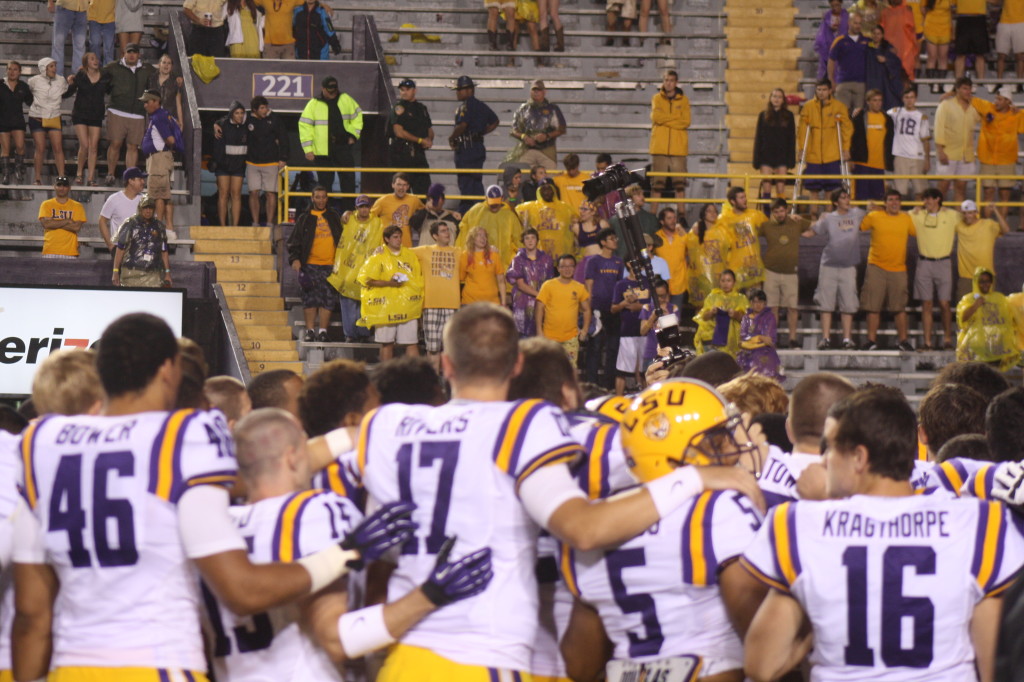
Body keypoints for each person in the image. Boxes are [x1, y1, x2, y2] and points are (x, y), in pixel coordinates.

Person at [333, 302, 762, 681]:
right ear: (516, 365)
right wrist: (693, 477)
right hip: (489, 653)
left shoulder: (386, 425)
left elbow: (304, 450)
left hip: (407, 653)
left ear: (445, 364)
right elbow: (583, 528)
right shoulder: (526, 423)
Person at [10, 312, 421, 682]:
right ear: (168, 370)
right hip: (157, 665)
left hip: (69, 666)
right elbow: (242, 591)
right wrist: (344, 553)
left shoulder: (41, 442)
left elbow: (31, 615)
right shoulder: (183, 435)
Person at [742, 387, 1024, 682]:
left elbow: (762, 666)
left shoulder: (801, 524)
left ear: (859, 458)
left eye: (832, 448)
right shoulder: (979, 522)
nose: (823, 461)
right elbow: (993, 668)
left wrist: (818, 626)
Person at [210, 408, 491, 682]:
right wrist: (428, 595)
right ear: (293, 457)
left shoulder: (217, 529)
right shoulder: (314, 510)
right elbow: (337, 638)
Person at [562, 378, 767, 682]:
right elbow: (760, 629)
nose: (731, 445)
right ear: (677, 451)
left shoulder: (600, 524)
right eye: (717, 437)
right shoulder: (719, 509)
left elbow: (579, 665)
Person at [859, 188, 917, 351]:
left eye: (897, 200)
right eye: (890, 200)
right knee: (873, 306)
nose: (894, 203)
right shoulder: (874, 217)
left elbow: (916, 232)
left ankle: (903, 341)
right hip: (876, 267)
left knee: (899, 307)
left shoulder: (906, 219)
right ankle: (871, 341)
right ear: (884, 203)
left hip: (898, 268)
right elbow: (858, 227)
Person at [357, 223, 424, 361]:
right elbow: (366, 279)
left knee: (411, 343)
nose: (399, 240)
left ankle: (417, 377)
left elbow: (418, 278)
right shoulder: (378, 257)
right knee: (386, 343)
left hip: (407, 306)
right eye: (395, 237)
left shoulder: (410, 255)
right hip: (384, 307)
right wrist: (390, 283)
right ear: (386, 239)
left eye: (400, 237)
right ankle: (386, 377)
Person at [808, 188, 864, 349]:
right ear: (835, 202)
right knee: (826, 303)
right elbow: (813, 231)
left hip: (848, 266)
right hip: (829, 265)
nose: (847, 200)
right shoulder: (828, 218)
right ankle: (825, 338)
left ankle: (847, 339)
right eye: (843, 198)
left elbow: (873, 212)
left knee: (849, 303)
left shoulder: (857, 213)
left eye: (848, 197)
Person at [299, 76, 363, 213]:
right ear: (323, 89)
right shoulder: (314, 103)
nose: (333, 93)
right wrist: (308, 149)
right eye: (330, 90)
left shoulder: (345, 99)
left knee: (348, 181)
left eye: (334, 90)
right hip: (322, 151)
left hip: (342, 146)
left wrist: (353, 135)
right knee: (324, 185)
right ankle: (324, 214)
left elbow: (358, 116)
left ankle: (349, 213)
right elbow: (304, 126)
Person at [288, 186, 342, 342]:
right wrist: (295, 259)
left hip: (331, 265)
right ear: (312, 198)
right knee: (310, 298)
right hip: (310, 264)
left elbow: (343, 240)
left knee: (328, 298)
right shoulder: (304, 218)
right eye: (317, 197)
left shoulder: (333, 216)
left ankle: (323, 331)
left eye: (323, 197)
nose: (321, 200)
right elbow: (293, 242)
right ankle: (310, 330)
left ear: (327, 198)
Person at [910, 187, 959, 349]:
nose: (927, 202)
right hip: (924, 263)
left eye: (930, 199)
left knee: (945, 304)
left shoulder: (950, 215)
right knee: (927, 304)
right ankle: (927, 342)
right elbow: (899, 216)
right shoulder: (917, 215)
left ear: (938, 199)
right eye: (925, 199)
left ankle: (947, 339)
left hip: (943, 263)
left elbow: (969, 218)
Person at [102, 43, 156, 186]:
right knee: (115, 143)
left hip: (138, 114)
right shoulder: (112, 67)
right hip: (117, 111)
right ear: (123, 53)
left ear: (139, 54)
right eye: (129, 52)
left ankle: (129, 177)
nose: (132, 55)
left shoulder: (147, 69)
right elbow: (98, 78)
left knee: (133, 146)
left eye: (134, 52)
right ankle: (110, 174)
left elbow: (159, 78)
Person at [797, 78, 853, 212]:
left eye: (824, 90)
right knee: (813, 189)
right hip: (813, 154)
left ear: (830, 91)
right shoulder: (808, 107)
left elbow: (846, 129)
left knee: (830, 188)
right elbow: (802, 129)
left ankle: (828, 215)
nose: (821, 93)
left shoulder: (839, 107)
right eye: (819, 90)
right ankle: (814, 216)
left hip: (832, 154)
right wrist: (801, 149)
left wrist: (845, 148)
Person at [331, 193, 381, 342]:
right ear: (356, 208)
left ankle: (363, 334)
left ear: (370, 207)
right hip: (348, 269)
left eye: (366, 206)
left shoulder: (377, 223)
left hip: (366, 269)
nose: (364, 210)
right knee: (348, 304)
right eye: (361, 207)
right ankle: (350, 334)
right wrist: (346, 213)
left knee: (364, 303)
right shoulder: (348, 219)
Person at [413, 221, 461, 370]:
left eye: (447, 230)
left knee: (449, 349)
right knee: (433, 348)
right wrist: (381, 250)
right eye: (443, 231)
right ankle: (434, 381)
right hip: (431, 304)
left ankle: (447, 382)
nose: (447, 233)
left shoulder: (458, 251)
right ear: (435, 236)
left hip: (452, 305)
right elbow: (399, 252)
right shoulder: (425, 250)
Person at [970, 87, 1024, 218]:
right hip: (987, 159)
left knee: (1004, 197)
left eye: (999, 99)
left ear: (1008, 101)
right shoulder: (988, 107)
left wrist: (1017, 110)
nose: (996, 102)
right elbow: (969, 97)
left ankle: (1002, 230)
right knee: (988, 194)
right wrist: (949, 93)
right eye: (996, 98)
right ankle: (986, 227)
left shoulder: (1017, 115)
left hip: (1007, 161)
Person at [762, 198, 809, 347]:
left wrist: (801, 217)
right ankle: (772, 339)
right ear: (772, 213)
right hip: (770, 271)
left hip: (790, 272)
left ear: (787, 210)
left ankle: (792, 339)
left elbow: (815, 227)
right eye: (776, 212)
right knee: (772, 308)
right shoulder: (766, 226)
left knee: (792, 308)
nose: (779, 214)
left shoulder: (797, 223)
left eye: (782, 211)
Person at [450, 75, 499, 213]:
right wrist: (480, 133)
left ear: (469, 90)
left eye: (460, 89)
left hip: (466, 148)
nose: (458, 92)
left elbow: (462, 125)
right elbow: (495, 121)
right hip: (477, 146)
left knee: (466, 182)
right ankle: (480, 210)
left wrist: (452, 137)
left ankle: (467, 212)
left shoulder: (465, 106)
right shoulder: (481, 105)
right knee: (476, 181)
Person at [956, 266, 1019, 370]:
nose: (985, 284)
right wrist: (975, 305)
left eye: (988, 281)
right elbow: (962, 319)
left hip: (996, 348)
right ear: (976, 282)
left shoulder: (999, 298)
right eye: (981, 281)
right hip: (977, 350)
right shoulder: (968, 299)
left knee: (994, 379)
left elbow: (1010, 318)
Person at [584, 227, 624, 388]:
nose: (615, 241)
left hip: (614, 309)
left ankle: (609, 385)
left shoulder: (618, 262)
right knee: (595, 348)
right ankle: (591, 383)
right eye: (611, 238)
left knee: (613, 348)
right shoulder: (593, 261)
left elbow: (620, 285)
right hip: (597, 309)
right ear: (603, 242)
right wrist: (589, 308)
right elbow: (589, 285)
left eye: (615, 238)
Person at [242, 96, 288, 227]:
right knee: (254, 192)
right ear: (254, 110)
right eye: (262, 108)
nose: (265, 110)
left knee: (270, 193)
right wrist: (217, 123)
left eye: (266, 107)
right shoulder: (248, 119)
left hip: (271, 162)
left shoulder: (274, 119)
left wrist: (283, 158)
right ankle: (255, 223)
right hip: (252, 162)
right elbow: (231, 119)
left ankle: (269, 223)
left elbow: (283, 138)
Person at [537, 253, 592, 362]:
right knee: (549, 370)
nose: (567, 269)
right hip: (549, 338)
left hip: (570, 339)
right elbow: (539, 309)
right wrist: (539, 331)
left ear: (575, 268)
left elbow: (587, 310)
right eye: (563, 266)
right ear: (558, 269)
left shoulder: (579, 287)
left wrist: (585, 330)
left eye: (570, 266)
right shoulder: (548, 285)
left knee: (569, 372)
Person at [934, 76, 981, 202]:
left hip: (966, 154)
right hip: (948, 153)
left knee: (961, 189)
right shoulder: (946, 105)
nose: (968, 91)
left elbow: (988, 117)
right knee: (942, 189)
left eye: (969, 89)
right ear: (957, 89)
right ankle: (936, 218)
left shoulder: (974, 108)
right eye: (965, 88)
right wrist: (940, 151)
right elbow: (939, 128)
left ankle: (958, 220)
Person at [141, 88, 181, 232]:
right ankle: (166, 227)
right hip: (160, 158)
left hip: (159, 160)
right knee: (162, 194)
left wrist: (171, 145)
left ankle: (159, 227)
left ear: (156, 102)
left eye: (147, 102)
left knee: (158, 195)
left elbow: (170, 139)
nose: (145, 105)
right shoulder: (162, 115)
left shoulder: (159, 117)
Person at [649, 70, 691, 206]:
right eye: (666, 80)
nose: (668, 83)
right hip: (659, 148)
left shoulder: (684, 100)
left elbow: (686, 122)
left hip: (678, 149)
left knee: (680, 185)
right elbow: (656, 117)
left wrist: (665, 119)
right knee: (657, 185)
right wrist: (675, 119)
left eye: (671, 80)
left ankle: (682, 215)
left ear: (676, 82)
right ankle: (653, 216)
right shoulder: (656, 98)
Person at [111, 194, 171, 287]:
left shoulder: (159, 226)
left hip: (153, 275)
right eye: (145, 208)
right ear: (140, 208)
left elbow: (164, 251)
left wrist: (167, 273)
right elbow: (120, 249)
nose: (148, 211)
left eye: (150, 208)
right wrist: (115, 271)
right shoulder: (130, 224)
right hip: (131, 274)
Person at [27, 57, 70, 183]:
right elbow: (27, 95)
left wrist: (72, 83)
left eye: (54, 66)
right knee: (40, 148)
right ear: (43, 68)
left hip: (54, 116)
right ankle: (37, 178)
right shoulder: (34, 81)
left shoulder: (61, 80)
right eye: (51, 66)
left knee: (58, 147)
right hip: (37, 117)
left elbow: (66, 93)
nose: (54, 69)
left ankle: (61, 177)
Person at [68, 52, 109, 186]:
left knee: (94, 147)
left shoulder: (104, 76)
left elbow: (109, 89)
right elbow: (71, 91)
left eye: (96, 58)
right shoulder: (81, 75)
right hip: (80, 113)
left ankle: (91, 178)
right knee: (84, 145)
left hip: (96, 114)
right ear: (86, 62)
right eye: (92, 59)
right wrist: (69, 82)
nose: (95, 60)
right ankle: (79, 174)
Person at [956, 199, 1009, 300]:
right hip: (966, 276)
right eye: (965, 213)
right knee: (963, 310)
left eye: (970, 213)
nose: (967, 216)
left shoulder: (988, 224)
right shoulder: (959, 226)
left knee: (987, 309)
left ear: (976, 212)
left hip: (986, 275)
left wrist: (995, 211)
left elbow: (1006, 230)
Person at [507, 80, 566, 170]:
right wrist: (524, 137)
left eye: (539, 90)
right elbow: (514, 130)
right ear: (530, 91)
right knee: (524, 176)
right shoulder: (523, 109)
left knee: (549, 178)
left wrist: (547, 136)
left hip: (547, 151)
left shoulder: (553, 109)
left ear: (544, 92)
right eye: (534, 90)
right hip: (527, 150)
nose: (536, 92)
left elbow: (562, 129)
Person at [459, 183, 523, 267]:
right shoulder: (475, 211)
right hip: (478, 263)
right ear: (486, 198)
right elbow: (464, 235)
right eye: (492, 203)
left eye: (496, 203)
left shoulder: (510, 215)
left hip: (503, 263)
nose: (494, 206)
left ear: (502, 198)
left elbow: (518, 239)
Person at [610, 262, 649, 394]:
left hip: (646, 332)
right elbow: (614, 309)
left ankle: (646, 399)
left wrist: (636, 306)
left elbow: (652, 306)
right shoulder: (621, 284)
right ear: (628, 264)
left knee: (645, 370)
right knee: (622, 370)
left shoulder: (648, 282)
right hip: (627, 332)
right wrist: (625, 303)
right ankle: (617, 401)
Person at [753, 88, 797, 207]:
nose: (776, 99)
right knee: (766, 188)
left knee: (780, 188)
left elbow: (791, 139)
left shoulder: (789, 116)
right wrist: (756, 159)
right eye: (774, 96)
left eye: (779, 97)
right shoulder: (763, 115)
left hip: (782, 156)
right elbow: (758, 138)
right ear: (770, 98)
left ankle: (780, 216)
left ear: (783, 100)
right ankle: (766, 217)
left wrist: (791, 160)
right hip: (766, 156)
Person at [506, 227, 553, 337]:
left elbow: (550, 282)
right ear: (523, 241)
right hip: (523, 303)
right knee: (523, 337)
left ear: (537, 240)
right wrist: (540, 295)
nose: (530, 240)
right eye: (527, 238)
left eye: (533, 238)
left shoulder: (547, 259)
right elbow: (520, 284)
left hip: (542, 303)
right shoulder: (518, 260)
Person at [389, 78, 433, 195]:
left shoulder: (421, 108)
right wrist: (420, 140)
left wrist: (429, 140)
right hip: (403, 153)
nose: (404, 92)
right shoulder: (399, 108)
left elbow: (429, 128)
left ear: (414, 90)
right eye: (402, 90)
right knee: (402, 190)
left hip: (419, 153)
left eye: (407, 89)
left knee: (424, 190)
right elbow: (399, 132)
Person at [720, 186, 768, 292]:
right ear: (733, 201)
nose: (745, 200)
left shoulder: (755, 215)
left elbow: (772, 226)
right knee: (734, 305)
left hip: (753, 268)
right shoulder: (724, 219)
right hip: (734, 269)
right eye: (741, 198)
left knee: (755, 304)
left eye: (745, 197)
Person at [887, 85, 931, 200]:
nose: (909, 100)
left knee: (920, 191)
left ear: (915, 98)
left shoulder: (922, 116)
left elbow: (925, 140)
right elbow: (881, 113)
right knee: (898, 192)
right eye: (907, 97)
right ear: (903, 99)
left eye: (912, 97)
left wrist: (927, 159)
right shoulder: (896, 112)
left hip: (917, 156)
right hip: (901, 155)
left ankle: (918, 215)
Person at [850, 88, 894, 201]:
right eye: (874, 100)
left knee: (879, 199)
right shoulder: (860, 117)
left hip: (880, 165)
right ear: (868, 102)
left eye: (880, 100)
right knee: (860, 197)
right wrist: (851, 158)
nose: (878, 103)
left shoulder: (887, 119)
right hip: (862, 164)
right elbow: (852, 138)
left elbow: (890, 141)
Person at [694, 269, 749, 356]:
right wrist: (711, 312)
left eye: (728, 280)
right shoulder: (712, 297)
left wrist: (735, 314)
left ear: (734, 282)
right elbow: (704, 317)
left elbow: (746, 319)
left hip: (733, 338)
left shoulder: (741, 298)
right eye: (723, 281)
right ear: (719, 282)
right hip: (713, 337)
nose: (725, 284)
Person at [517, 178, 575, 260]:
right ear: (539, 191)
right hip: (538, 258)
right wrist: (512, 198)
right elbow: (513, 214)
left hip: (561, 259)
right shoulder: (530, 207)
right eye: (543, 189)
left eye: (549, 189)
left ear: (554, 190)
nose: (546, 192)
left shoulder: (565, 208)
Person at [685, 202, 729, 310]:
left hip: (718, 275)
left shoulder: (721, 230)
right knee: (701, 308)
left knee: (718, 307)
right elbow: (690, 248)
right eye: (709, 211)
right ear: (703, 214)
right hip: (701, 276)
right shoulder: (697, 229)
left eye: (715, 211)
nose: (713, 213)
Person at [737, 288, 784, 381]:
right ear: (751, 303)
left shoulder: (770, 317)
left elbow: (769, 339)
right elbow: (743, 336)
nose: (758, 305)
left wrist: (753, 340)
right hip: (747, 351)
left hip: (765, 350)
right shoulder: (746, 318)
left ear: (765, 303)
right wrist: (759, 337)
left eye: (760, 302)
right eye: (755, 302)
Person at [214, 100, 248, 226]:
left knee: (236, 194)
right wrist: (215, 125)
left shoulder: (247, 125)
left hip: (239, 166)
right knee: (223, 194)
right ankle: (223, 226)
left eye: (241, 113)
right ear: (232, 114)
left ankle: (235, 226)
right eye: (237, 113)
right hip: (223, 166)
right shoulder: (223, 125)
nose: (239, 115)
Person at [828, 12, 869, 114]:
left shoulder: (867, 40)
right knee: (841, 115)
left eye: (860, 23)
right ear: (849, 23)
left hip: (861, 83)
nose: (858, 26)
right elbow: (831, 60)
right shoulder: (839, 41)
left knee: (858, 117)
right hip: (843, 83)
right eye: (855, 23)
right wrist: (831, 80)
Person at [371, 173, 425, 248]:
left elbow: (427, 211)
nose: (401, 188)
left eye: (404, 185)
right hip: (386, 247)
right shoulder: (382, 201)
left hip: (406, 246)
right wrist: (350, 213)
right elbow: (367, 217)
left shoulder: (414, 200)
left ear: (408, 187)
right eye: (399, 184)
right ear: (393, 185)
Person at [99, 166, 146, 252]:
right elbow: (102, 221)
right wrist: (111, 246)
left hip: (140, 249)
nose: (143, 182)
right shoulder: (113, 199)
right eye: (140, 179)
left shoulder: (145, 200)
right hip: (120, 249)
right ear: (131, 181)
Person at [38, 175, 85, 258]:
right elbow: (46, 224)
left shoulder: (77, 206)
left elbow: (76, 227)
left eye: (65, 185)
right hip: (50, 250)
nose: (62, 188)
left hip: (70, 252)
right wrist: (67, 221)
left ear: (69, 188)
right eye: (59, 185)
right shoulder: (46, 204)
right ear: (54, 187)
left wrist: (54, 222)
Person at [0, 61, 32, 184]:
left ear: (19, 72)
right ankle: (6, 173)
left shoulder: (23, 86)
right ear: (6, 70)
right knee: (5, 148)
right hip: (2, 121)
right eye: (9, 69)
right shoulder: (1, 84)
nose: (12, 72)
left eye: (15, 69)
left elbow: (31, 102)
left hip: (18, 120)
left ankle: (19, 168)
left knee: (20, 146)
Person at [459, 225, 506, 306]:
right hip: (470, 302)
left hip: (492, 302)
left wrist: (504, 302)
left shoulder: (494, 255)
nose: (483, 238)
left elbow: (501, 281)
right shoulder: (465, 255)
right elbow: (460, 278)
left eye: (484, 235)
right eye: (479, 235)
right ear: (472, 239)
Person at [652, 206, 688, 309]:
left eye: (674, 217)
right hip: (660, 286)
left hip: (679, 284)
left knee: (675, 318)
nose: (673, 221)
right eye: (669, 218)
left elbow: (693, 251)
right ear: (662, 222)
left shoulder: (682, 236)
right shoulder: (656, 237)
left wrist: (685, 234)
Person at [639, 277, 678, 369]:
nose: (660, 299)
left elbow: (674, 334)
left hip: (668, 353)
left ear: (668, 294)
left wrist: (667, 316)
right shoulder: (647, 307)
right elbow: (642, 331)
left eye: (663, 296)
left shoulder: (673, 308)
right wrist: (652, 317)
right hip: (650, 352)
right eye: (657, 296)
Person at [570, 199, 610, 281]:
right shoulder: (576, 227)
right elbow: (575, 247)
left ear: (593, 212)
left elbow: (611, 244)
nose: (581, 212)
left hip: (601, 261)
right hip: (585, 263)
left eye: (585, 209)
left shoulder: (602, 224)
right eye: (580, 208)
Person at [48, 0, 87, 77]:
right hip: (64, 7)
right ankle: (57, 77)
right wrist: (50, 2)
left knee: (80, 45)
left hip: (82, 9)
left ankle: (77, 78)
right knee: (58, 44)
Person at [954, 0, 990, 78]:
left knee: (980, 54)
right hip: (963, 19)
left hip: (979, 19)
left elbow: (995, 1)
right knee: (960, 53)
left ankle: (981, 83)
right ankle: (958, 83)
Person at [923, 0, 953, 89]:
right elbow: (922, 10)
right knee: (932, 56)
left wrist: (952, 30)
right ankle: (930, 87)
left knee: (943, 58)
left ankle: (941, 86)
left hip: (945, 28)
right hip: (931, 27)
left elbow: (951, 11)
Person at [815, 0, 849, 79]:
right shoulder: (827, 15)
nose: (835, 8)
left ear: (841, 3)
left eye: (837, 5)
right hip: (829, 47)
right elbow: (823, 33)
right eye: (833, 6)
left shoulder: (846, 15)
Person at [996, 0, 1024, 84]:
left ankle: (1019, 82)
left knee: (1020, 56)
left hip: (1021, 22)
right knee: (1001, 55)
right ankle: (999, 82)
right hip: (1004, 22)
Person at [87, 0, 116, 66]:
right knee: (95, 44)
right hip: (94, 17)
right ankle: (95, 69)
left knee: (108, 49)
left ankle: (108, 72)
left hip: (110, 18)